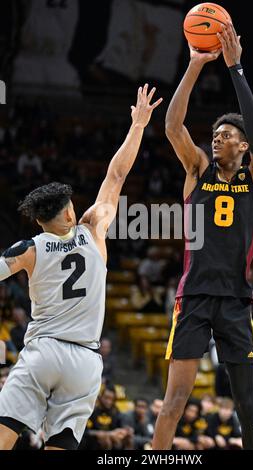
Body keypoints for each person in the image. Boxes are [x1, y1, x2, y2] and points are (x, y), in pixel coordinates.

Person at [0, 84, 162, 450]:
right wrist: (138, 124)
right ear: (71, 212)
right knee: (61, 442)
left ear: (40, 221)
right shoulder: (94, 231)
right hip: (86, 362)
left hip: (45, 351)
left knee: (4, 434)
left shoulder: (29, 248)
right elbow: (116, 175)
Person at [153, 22, 253, 450]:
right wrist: (193, 66)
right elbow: (172, 126)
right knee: (175, 401)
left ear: (243, 147)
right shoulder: (198, 172)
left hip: (236, 300)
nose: (217, 139)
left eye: (226, 136)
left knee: (246, 402)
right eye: (215, 135)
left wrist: (236, 68)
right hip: (196, 295)